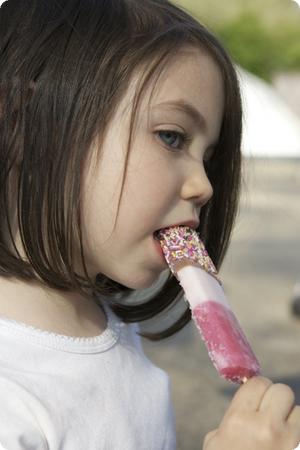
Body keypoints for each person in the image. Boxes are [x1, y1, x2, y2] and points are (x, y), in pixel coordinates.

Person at [0, 0, 299, 449]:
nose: (204, 186)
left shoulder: (109, 321)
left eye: (208, 158)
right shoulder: (11, 398)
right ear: (24, 121)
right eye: (172, 137)